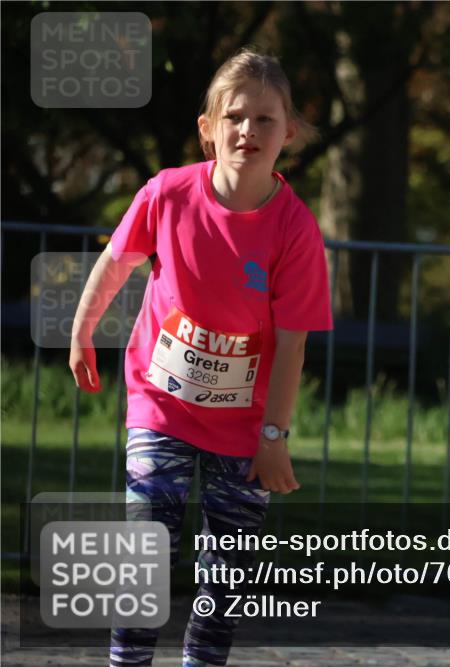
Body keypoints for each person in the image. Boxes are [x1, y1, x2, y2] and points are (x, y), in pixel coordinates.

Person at [68, 48, 332, 667]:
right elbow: (118, 261)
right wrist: (83, 329)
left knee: (229, 574)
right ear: (208, 128)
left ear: (288, 132)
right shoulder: (167, 193)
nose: (249, 131)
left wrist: (274, 435)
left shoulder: (294, 229)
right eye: (235, 116)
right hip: (159, 402)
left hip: (244, 426)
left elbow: (294, 342)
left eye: (265, 119)